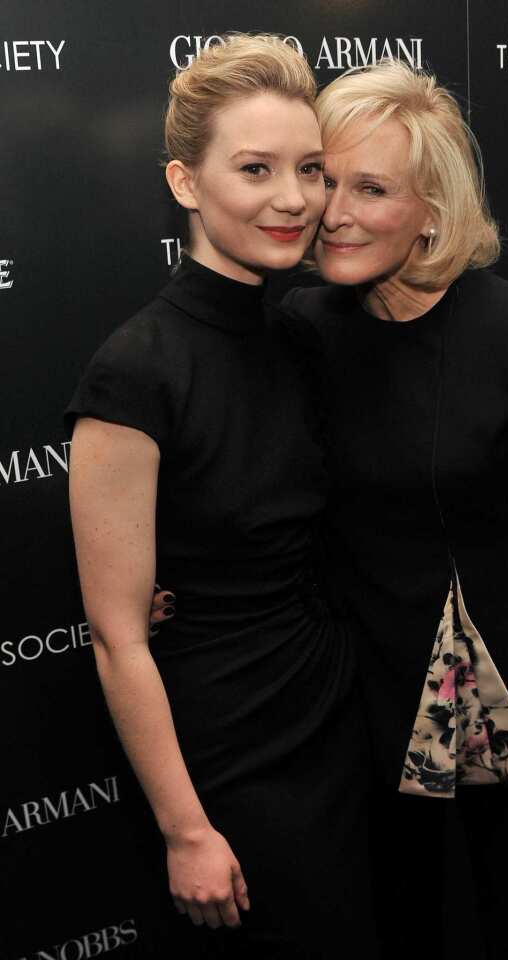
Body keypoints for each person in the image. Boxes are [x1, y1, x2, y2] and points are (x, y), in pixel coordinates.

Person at [278, 61, 508, 958]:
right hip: (371, 702)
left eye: (372, 187)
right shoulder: (305, 331)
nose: (335, 211)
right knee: (404, 925)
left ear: (432, 210)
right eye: (325, 179)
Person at [65, 35, 375, 958]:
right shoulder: (135, 373)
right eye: (255, 169)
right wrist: (185, 829)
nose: (294, 198)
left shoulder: (308, 334)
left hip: (335, 715)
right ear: (186, 183)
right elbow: (120, 638)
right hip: (224, 754)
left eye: (311, 170)